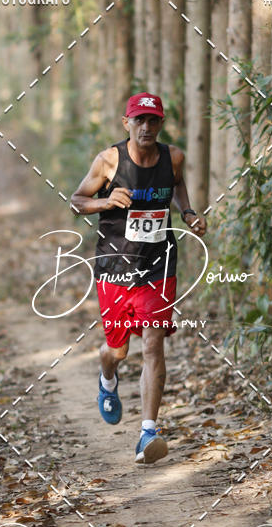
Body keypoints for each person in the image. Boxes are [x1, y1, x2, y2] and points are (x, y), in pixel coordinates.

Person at [71, 92, 206, 464]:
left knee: (152, 344)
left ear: (160, 123)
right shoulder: (108, 160)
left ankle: (148, 433)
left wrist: (189, 212)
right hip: (114, 269)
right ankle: (107, 376)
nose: (146, 127)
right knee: (118, 349)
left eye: (153, 121)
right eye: (139, 120)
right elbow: (76, 200)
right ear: (126, 122)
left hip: (158, 265)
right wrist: (105, 201)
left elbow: (177, 186)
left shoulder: (173, 157)